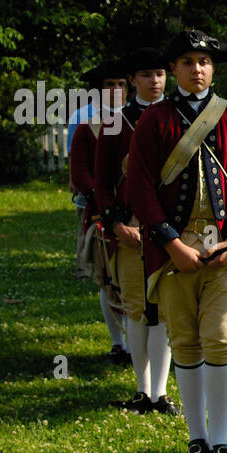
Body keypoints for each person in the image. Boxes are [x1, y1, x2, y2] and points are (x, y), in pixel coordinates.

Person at [126, 29, 227, 453]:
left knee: (222, 340)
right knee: (185, 343)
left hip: (224, 251)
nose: (197, 69)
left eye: (204, 62)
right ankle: (196, 439)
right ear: (174, 70)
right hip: (174, 254)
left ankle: (220, 440)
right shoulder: (154, 121)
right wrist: (169, 243)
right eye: (187, 62)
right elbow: (140, 187)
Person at [94, 47, 177, 414]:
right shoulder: (115, 122)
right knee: (136, 309)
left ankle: (160, 392)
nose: (154, 80)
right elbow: (101, 181)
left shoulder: (179, 118)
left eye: (160, 73)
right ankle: (143, 390)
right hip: (129, 229)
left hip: (170, 231)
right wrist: (115, 222)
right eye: (146, 74)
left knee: (163, 308)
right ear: (132, 80)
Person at [71, 59, 131, 362]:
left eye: (121, 83)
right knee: (107, 278)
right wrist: (102, 198)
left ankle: (137, 342)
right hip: (100, 213)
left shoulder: (140, 121)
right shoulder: (87, 126)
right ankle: (118, 342)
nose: (117, 89)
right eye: (110, 84)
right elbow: (80, 171)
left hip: (136, 212)